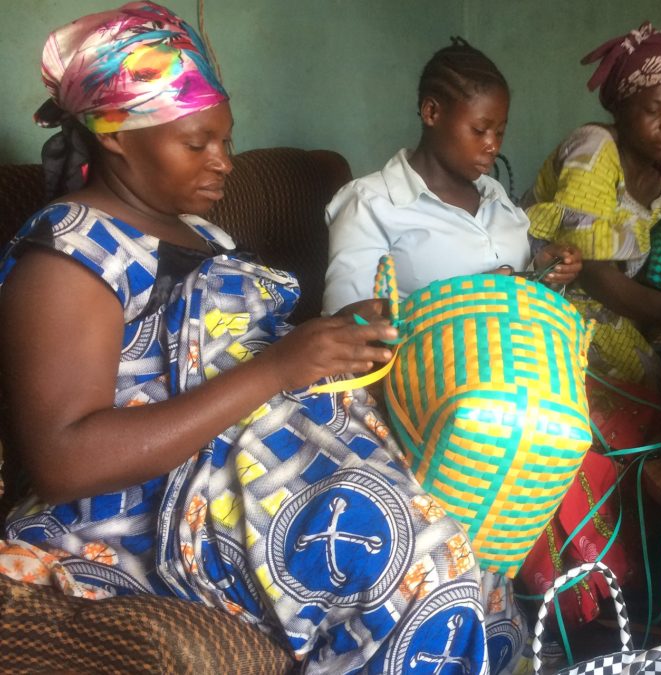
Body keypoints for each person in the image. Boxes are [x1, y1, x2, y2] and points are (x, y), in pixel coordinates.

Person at [0, 4, 521, 673]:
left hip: (260, 460)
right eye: (198, 144)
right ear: (118, 137)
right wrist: (279, 368)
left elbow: (228, 350)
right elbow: (65, 460)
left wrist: (333, 339)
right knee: (416, 556)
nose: (224, 162)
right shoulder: (72, 253)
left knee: (475, 526)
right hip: (147, 506)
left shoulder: (200, 232)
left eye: (226, 140)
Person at [522, 22, 661, 388]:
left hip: (609, 295)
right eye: (654, 110)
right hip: (549, 288)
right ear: (621, 109)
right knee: (648, 386)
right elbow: (590, 269)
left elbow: (634, 262)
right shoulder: (595, 148)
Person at [323, 38, 581, 313]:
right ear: (431, 112)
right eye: (479, 130)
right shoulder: (370, 203)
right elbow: (346, 324)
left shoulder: (494, 195)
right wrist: (463, 300)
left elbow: (516, 293)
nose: (493, 146)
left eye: (500, 132)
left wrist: (540, 271)